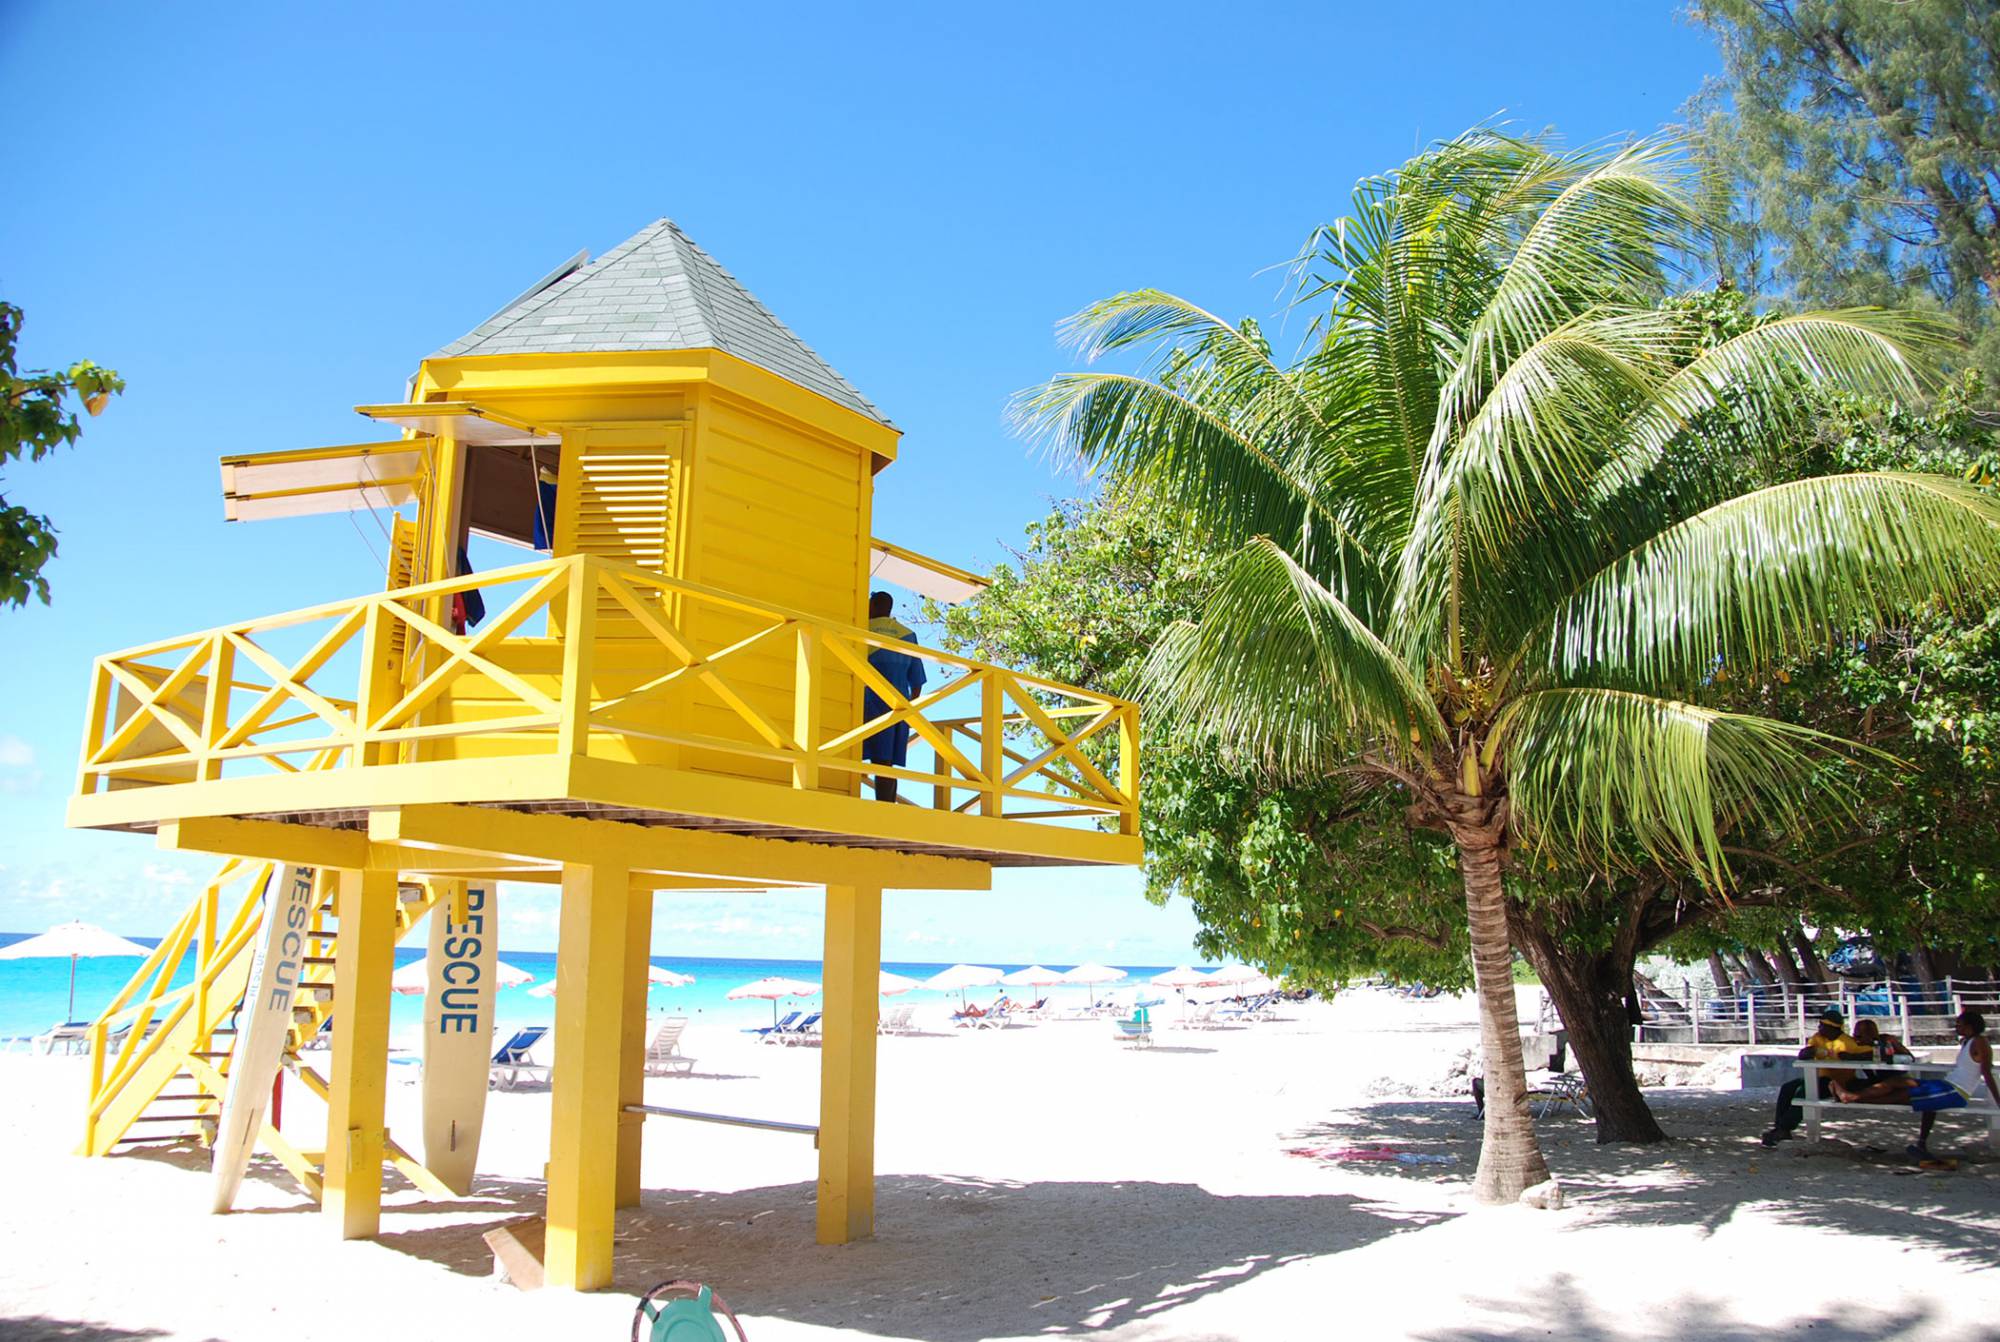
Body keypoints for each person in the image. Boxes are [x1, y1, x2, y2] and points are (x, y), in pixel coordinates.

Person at [1761, 1005, 1873, 1146]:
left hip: (1837, 1082)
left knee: (1804, 1093)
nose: (1819, 1028)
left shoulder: (1847, 1043)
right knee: (1788, 1088)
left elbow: (1870, 1052)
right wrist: (1812, 1051)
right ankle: (1779, 1127)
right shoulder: (1818, 1038)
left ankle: (1785, 1127)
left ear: (1832, 1027)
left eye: (1822, 1025)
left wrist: (1850, 1056)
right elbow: (1803, 1055)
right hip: (1818, 1078)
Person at [861, 591, 926, 803]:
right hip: (897, 709)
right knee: (885, 763)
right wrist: (908, 712)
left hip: (865, 704)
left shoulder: (861, 629)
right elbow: (917, 682)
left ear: (872, 606)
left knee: (854, 755)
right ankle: (886, 806)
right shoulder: (907, 635)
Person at [1907, 1010, 2000, 1159]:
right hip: (1948, 1084)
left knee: (1913, 1095)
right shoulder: (1966, 1041)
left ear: (1970, 1027)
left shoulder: (1979, 1042)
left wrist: (1997, 1099)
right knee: (1912, 1088)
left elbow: (1986, 1072)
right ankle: (1921, 1143)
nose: (1956, 1028)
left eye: (1959, 1025)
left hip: (1956, 1091)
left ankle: (1921, 1143)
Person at [1829, 1018, 1917, 1103]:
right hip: (1874, 1082)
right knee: (1852, 1084)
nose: (1856, 1040)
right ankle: (1850, 1097)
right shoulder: (1857, 1046)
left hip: (1896, 1080)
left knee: (1899, 1087)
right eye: (1854, 1036)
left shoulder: (1887, 1040)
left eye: (1859, 1036)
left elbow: (1910, 1058)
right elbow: (1844, 1056)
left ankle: (1852, 1098)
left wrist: (1890, 1056)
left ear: (1871, 1034)